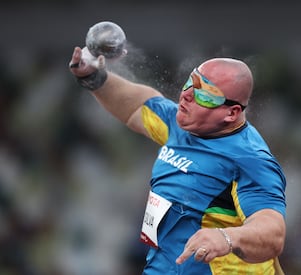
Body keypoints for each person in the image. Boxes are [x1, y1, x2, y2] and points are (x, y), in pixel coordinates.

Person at [69, 46, 287, 274]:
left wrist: (227, 237)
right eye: (190, 83)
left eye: (204, 94)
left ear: (231, 113)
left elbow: (273, 232)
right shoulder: (182, 125)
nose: (187, 95)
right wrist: (94, 77)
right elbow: (136, 105)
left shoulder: (249, 159)